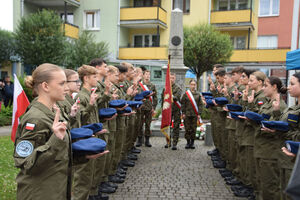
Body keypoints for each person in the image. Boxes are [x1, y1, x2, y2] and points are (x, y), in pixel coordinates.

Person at [73, 65, 109, 200]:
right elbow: (80, 116)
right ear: (86, 78)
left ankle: (92, 194)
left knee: (92, 170)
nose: (96, 79)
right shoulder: (82, 96)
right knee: (84, 174)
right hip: (84, 139)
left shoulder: (90, 94)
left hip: (91, 135)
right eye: (94, 77)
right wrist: (90, 104)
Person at [262, 72, 300, 200]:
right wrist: (277, 114)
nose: (288, 87)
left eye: (292, 84)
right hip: (284, 157)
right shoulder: (293, 107)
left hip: (293, 161)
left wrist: (282, 131)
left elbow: (295, 133)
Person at [254, 76, 287, 200]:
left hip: (270, 151)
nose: (263, 89)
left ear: (274, 87)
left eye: (265, 86)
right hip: (262, 148)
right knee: (261, 183)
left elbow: (281, 128)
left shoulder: (281, 107)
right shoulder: (268, 103)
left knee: (270, 187)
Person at [136, 70, 157, 147]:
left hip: (149, 108)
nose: (148, 76)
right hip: (141, 107)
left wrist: (153, 107)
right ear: (143, 75)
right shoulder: (139, 85)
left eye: (149, 74)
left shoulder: (152, 85)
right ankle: (139, 140)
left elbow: (155, 97)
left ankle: (147, 140)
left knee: (148, 124)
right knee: (140, 124)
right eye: (146, 74)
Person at [161, 72, 182, 150]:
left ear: (175, 78)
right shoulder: (165, 88)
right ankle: (168, 141)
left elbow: (177, 97)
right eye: (170, 78)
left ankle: (175, 143)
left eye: (173, 78)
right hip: (168, 110)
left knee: (176, 126)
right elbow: (162, 100)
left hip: (176, 109)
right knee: (167, 126)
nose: (171, 79)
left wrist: (171, 96)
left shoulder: (178, 88)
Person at [181, 79, 203, 149]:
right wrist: (183, 112)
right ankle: (188, 142)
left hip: (194, 114)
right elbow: (183, 104)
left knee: (193, 128)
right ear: (189, 85)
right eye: (192, 84)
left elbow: (200, 104)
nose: (193, 86)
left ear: (196, 85)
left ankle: (192, 143)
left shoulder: (198, 94)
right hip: (187, 114)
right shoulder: (186, 94)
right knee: (187, 128)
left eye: (194, 84)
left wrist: (199, 113)